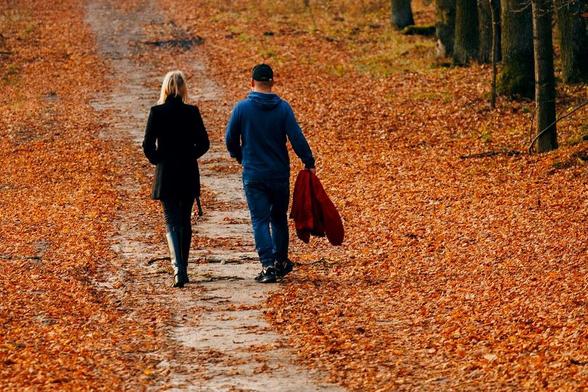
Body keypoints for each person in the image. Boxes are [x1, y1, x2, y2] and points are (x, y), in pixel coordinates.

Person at [225, 64, 316, 283]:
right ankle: (280, 260)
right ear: (272, 82)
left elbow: (230, 139)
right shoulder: (283, 108)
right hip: (278, 173)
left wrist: (240, 156)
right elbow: (296, 137)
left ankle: (267, 266)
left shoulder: (242, 108)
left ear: (251, 82)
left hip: (254, 173)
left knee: (259, 220)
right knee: (278, 218)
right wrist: (308, 161)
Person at [143, 70, 210, 288]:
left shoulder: (157, 112)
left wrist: (158, 160)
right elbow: (204, 143)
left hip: (167, 174)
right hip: (188, 172)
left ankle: (178, 269)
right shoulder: (191, 112)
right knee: (184, 220)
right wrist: (190, 156)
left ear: (164, 88)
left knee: (171, 219)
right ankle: (184, 268)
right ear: (183, 89)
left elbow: (147, 145)